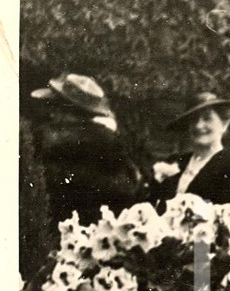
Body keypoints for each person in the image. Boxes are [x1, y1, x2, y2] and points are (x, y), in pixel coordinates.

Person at [28, 73, 145, 226]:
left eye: (54, 107)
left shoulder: (45, 141)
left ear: (67, 111)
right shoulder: (114, 146)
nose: (51, 114)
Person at [151, 92, 230, 208]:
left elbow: (229, 216)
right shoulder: (176, 161)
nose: (199, 125)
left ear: (224, 124)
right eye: (194, 120)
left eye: (207, 118)